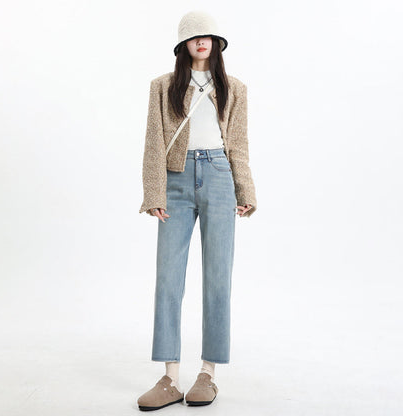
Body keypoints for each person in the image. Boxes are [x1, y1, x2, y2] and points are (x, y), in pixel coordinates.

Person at [137, 10, 257, 411]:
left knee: (218, 278)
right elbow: (154, 142)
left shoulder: (234, 88)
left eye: (207, 36)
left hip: (220, 176)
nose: (201, 41)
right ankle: (170, 378)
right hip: (175, 179)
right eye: (193, 36)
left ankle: (208, 373)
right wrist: (153, 192)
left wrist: (245, 189)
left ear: (217, 43)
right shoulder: (163, 86)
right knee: (168, 279)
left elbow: (237, 143)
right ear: (183, 44)